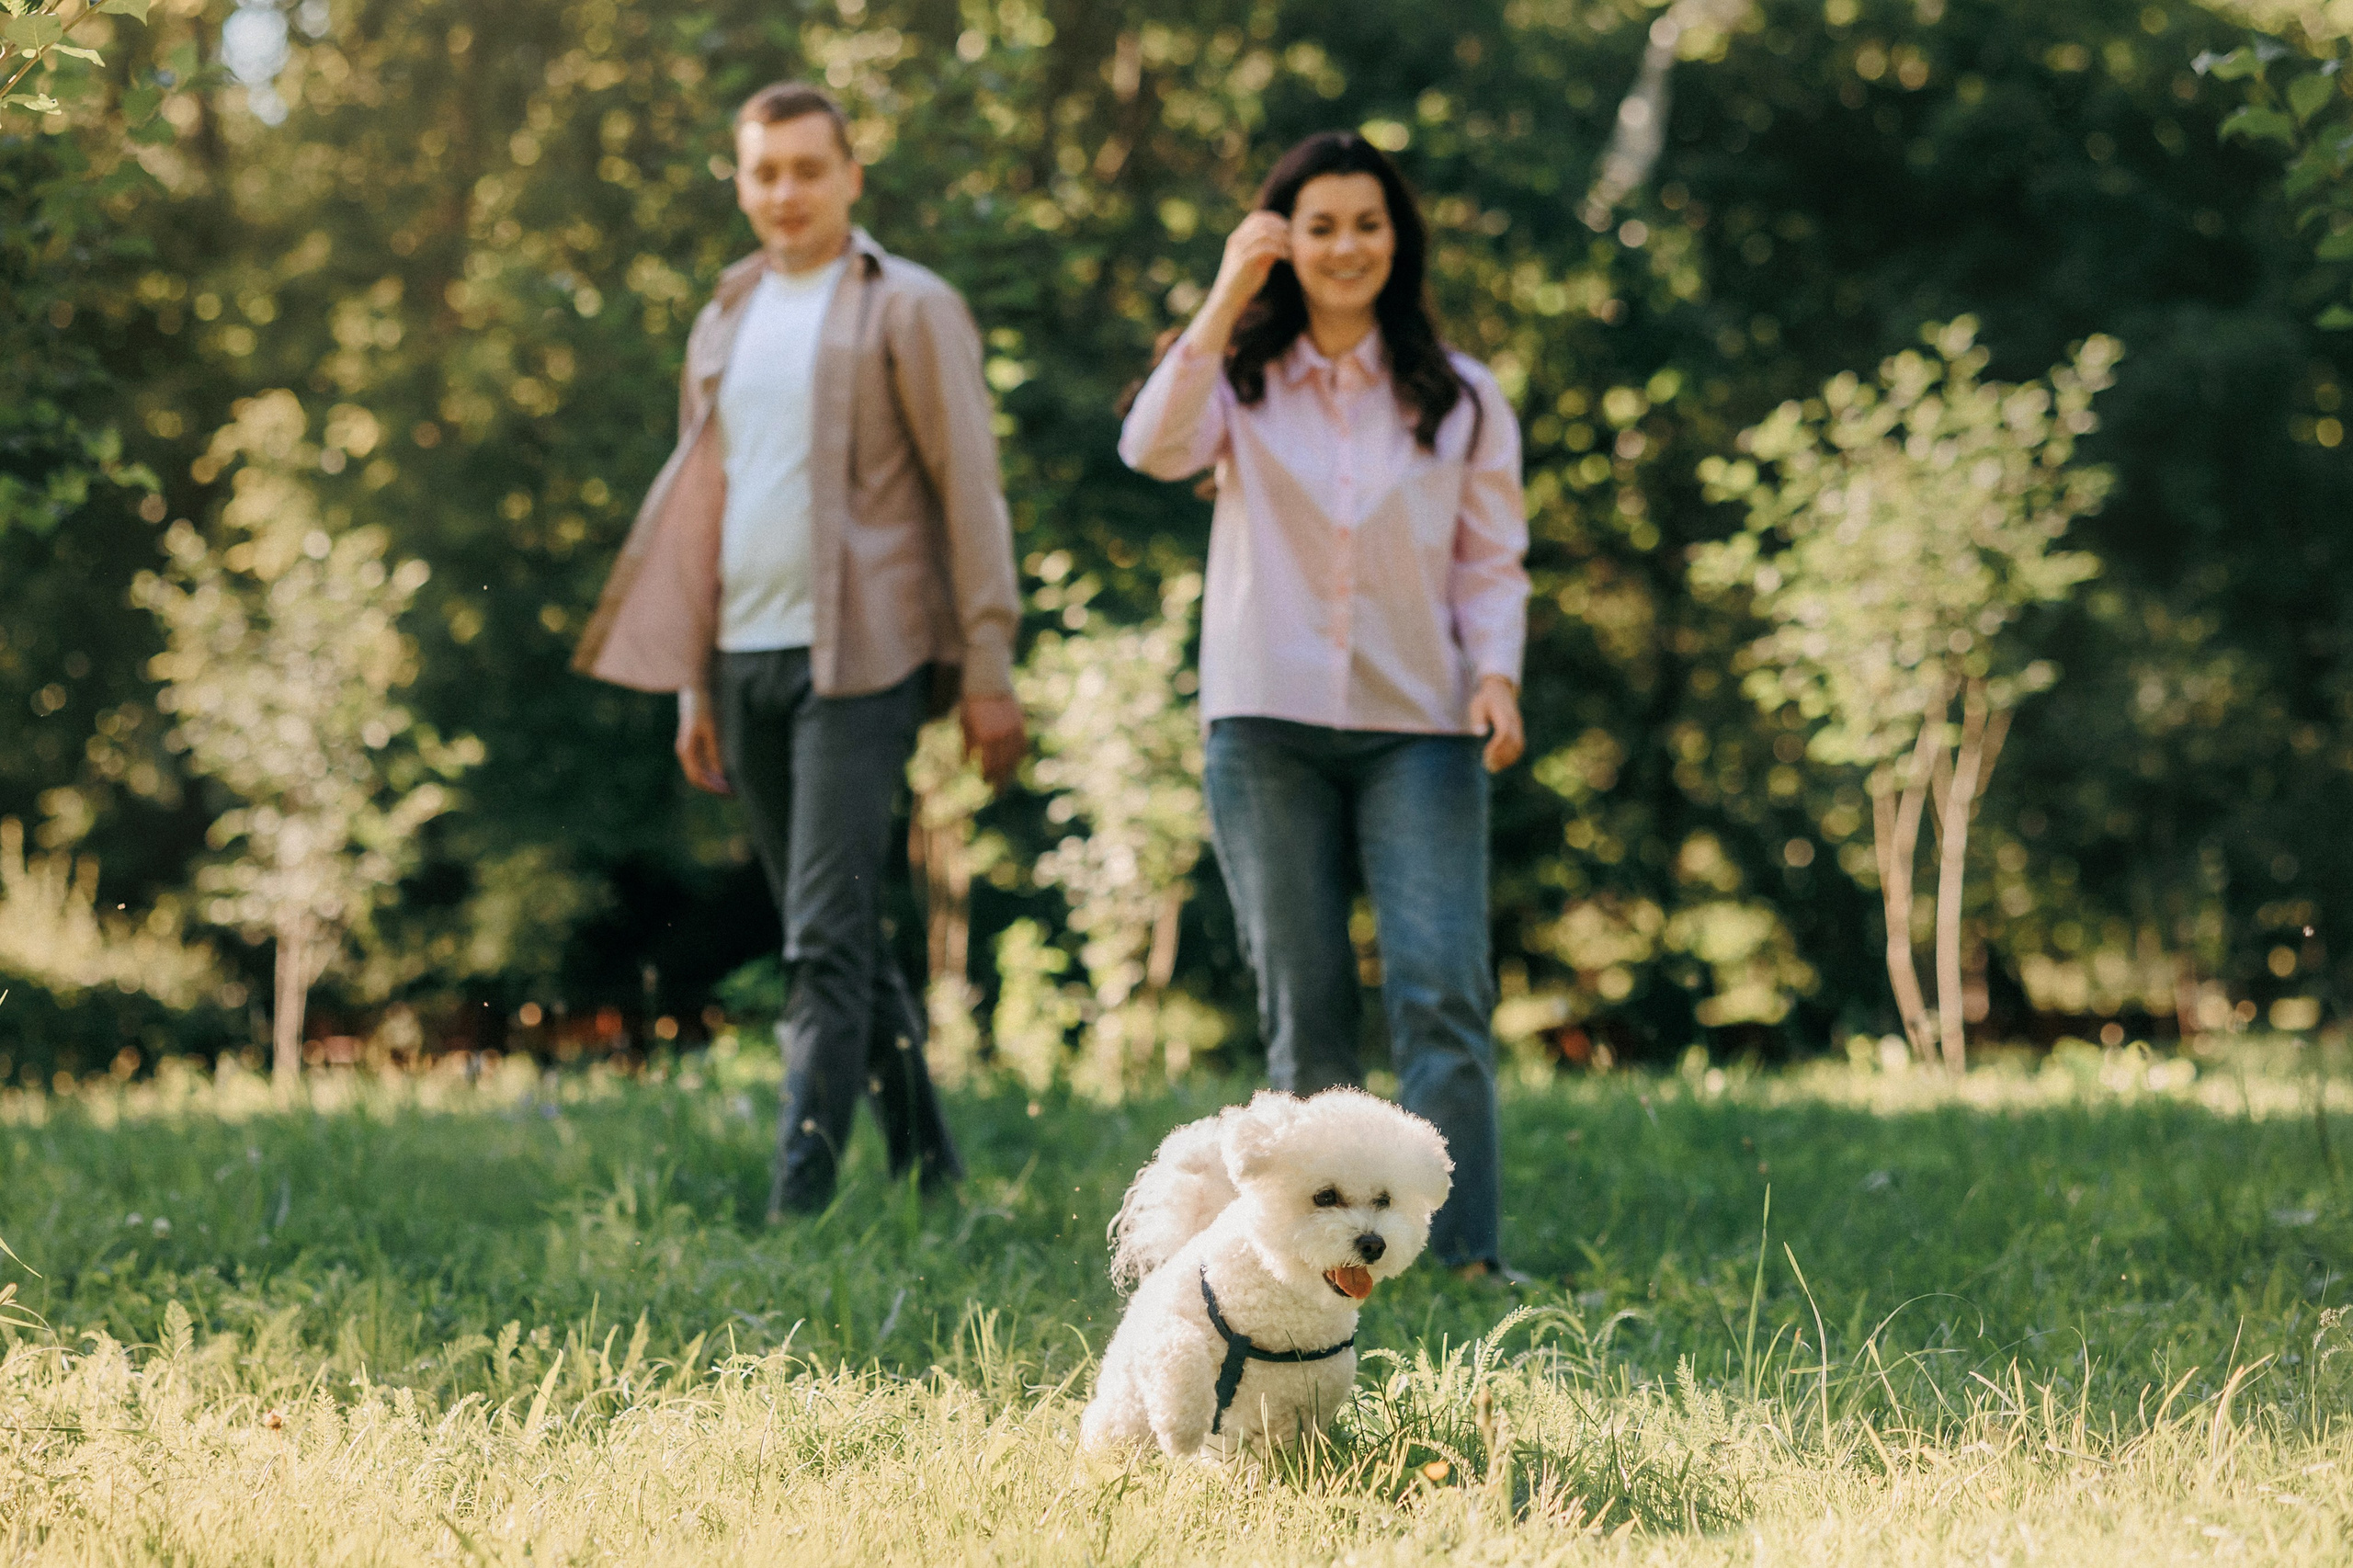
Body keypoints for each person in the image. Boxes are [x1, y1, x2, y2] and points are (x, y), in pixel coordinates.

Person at [574, 82, 1026, 1220]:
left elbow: (969, 493)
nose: (784, 192)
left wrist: (989, 664)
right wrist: (691, 682)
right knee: (836, 936)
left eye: (806, 169)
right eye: (763, 171)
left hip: (861, 661)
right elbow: (700, 509)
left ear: (850, 176)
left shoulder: (908, 308)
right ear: (740, 179)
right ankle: (936, 1178)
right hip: (741, 655)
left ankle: (796, 1209)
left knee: (820, 937)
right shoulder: (722, 315)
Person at [1118, 131, 1530, 1279]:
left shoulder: (1459, 397)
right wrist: (1221, 296)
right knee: (1304, 1009)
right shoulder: (1237, 385)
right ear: (1281, 242)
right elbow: (1149, 446)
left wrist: (1497, 673)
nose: (1345, 245)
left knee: (1442, 992)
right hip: (1267, 725)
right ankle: (1305, 1280)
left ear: (1396, 242)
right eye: (1319, 225)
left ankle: (1462, 1262)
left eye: (1367, 223)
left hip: (1424, 727)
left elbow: (1491, 560)